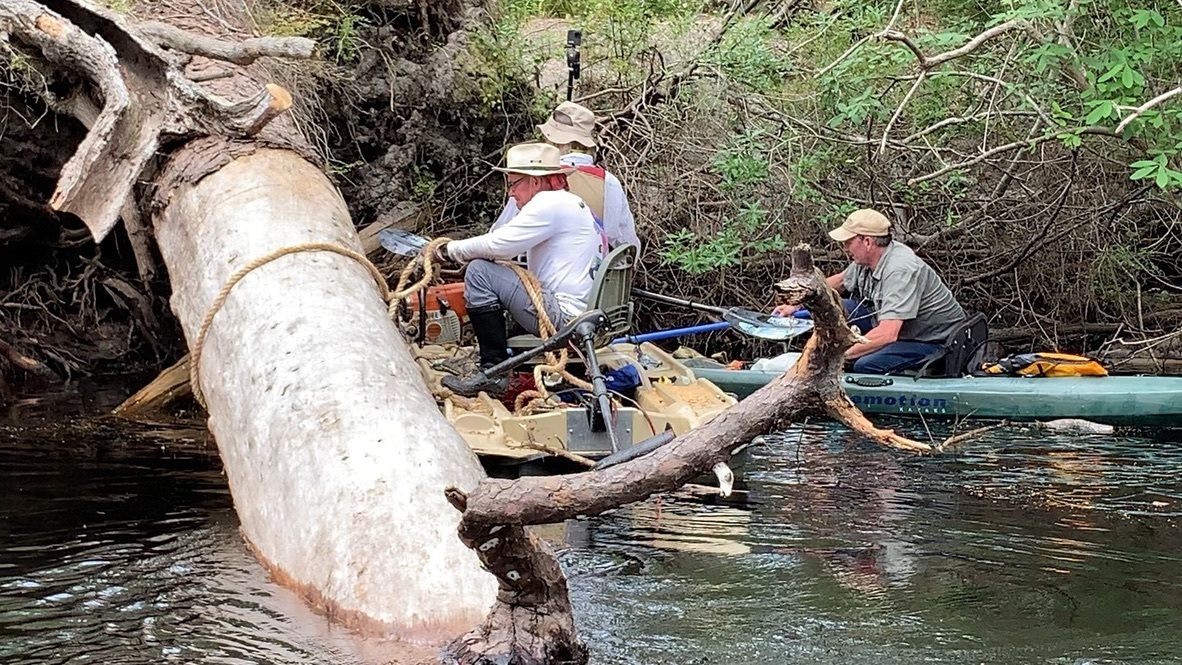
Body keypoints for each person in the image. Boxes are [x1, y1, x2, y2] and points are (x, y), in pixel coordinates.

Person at [439, 142, 605, 396]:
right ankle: (499, 361)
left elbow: (499, 245)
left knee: (479, 272)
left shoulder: (548, 203)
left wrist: (449, 251)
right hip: (582, 314)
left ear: (535, 182)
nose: (510, 193)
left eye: (513, 183)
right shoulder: (570, 202)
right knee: (497, 272)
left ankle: (493, 371)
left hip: (564, 319)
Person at [774, 209, 967, 374]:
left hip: (933, 341)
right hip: (894, 326)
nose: (844, 247)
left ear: (867, 242)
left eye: (848, 242)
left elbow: (888, 334)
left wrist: (836, 356)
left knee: (865, 365)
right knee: (842, 306)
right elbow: (840, 281)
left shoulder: (900, 270)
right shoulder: (867, 260)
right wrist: (796, 303)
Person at [492, 101, 641, 251]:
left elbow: (498, 234)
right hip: (598, 270)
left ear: (552, 141)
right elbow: (628, 244)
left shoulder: (535, 175)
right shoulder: (609, 182)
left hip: (537, 270)